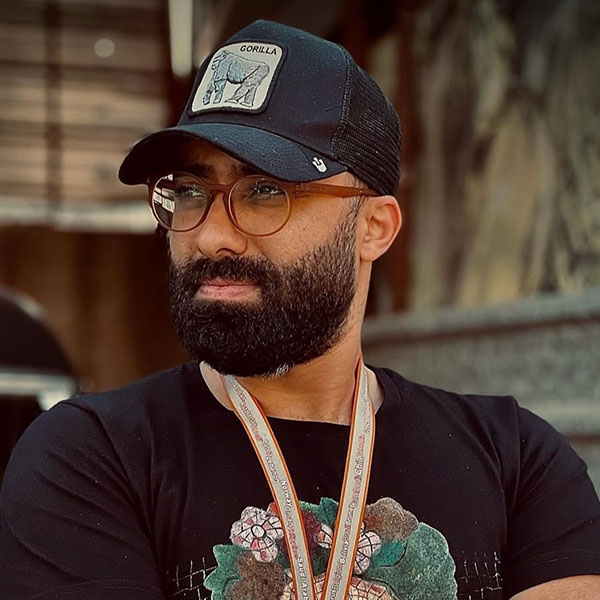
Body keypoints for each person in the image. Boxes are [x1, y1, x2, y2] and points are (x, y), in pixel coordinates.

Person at [1, 19, 599, 600]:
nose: (210, 236)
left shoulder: (517, 460)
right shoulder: (89, 457)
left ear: (374, 227)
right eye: (188, 191)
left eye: (265, 191)